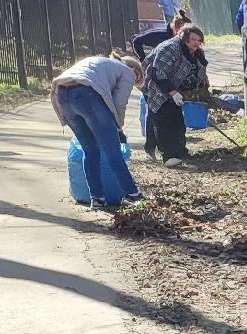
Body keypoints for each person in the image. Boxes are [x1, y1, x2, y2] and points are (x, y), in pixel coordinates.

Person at [51, 52, 144, 207]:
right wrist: (118, 128)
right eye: (136, 80)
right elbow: (119, 103)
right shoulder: (127, 72)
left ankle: (97, 198)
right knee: (112, 149)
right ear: (135, 71)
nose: (132, 84)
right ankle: (132, 194)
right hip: (86, 94)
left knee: (90, 150)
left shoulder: (101, 63)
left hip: (62, 94)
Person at [143, 25, 207, 167]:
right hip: (158, 88)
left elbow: (199, 71)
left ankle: (179, 152)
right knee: (164, 122)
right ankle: (168, 156)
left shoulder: (196, 52)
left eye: (198, 39)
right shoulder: (170, 48)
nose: (196, 42)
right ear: (183, 38)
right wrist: (172, 92)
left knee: (177, 122)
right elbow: (158, 72)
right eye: (192, 39)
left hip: (177, 92)